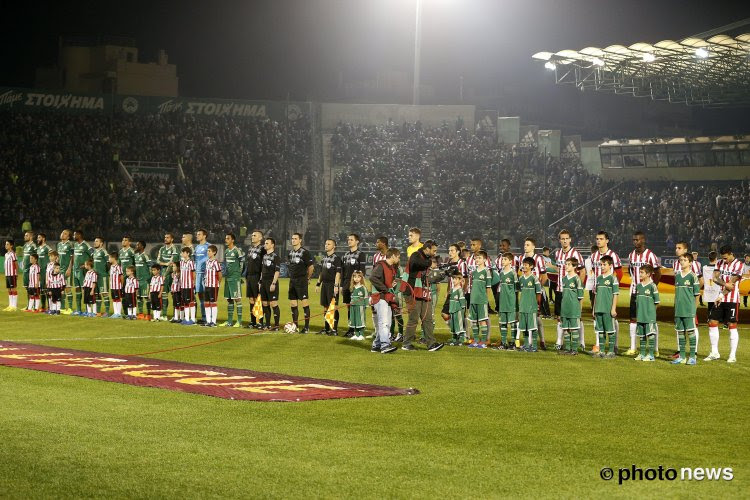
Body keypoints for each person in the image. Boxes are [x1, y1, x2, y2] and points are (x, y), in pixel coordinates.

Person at [402, 240, 443, 352]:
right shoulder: (416, 255)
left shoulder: (427, 259)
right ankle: (406, 343)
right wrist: (430, 264)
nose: (435, 253)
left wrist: (442, 275)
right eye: (434, 250)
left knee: (428, 318)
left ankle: (431, 344)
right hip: (412, 291)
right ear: (427, 248)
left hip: (423, 291)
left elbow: (428, 277)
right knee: (413, 319)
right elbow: (417, 264)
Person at [705, 245, 743, 363]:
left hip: (731, 300)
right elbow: (714, 278)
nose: (724, 260)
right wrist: (725, 284)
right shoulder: (720, 263)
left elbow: (731, 285)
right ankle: (714, 352)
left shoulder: (739, 265)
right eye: (723, 258)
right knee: (712, 321)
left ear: (731, 254)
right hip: (720, 298)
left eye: (726, 258)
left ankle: (732, 355)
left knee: (732, 325)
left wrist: (721, 294)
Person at [625, 232, 661, 356]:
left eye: (637, 240)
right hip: (636, 292)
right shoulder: (631, 255)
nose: (635, 242)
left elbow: (658, 272)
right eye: (633, 240)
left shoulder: (651, 255)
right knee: (633, 319)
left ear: (643, 240)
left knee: (651, 320)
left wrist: (652, 288)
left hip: (647, 294)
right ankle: (633, 347)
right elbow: (630, 271)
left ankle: (655, 349)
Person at [590, 231, 622, 353]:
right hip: (597, 289)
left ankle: (615, 345)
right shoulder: (594, 256)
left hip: (609, 291)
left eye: (601, 239)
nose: (598, 241)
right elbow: (594, 271)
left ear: (607, 240)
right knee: (598, 318)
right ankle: (599, 345)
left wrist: (612, 286)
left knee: (612, 318)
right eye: (597, 239)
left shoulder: (613, 255)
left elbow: (618, 273)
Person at [553, 230, 585, 350]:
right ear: (559, 240)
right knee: (560, 316)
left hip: (572, 291)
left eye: (567, 238)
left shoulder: (576, 254)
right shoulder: (557, 253)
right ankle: (559, 341)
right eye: (562, 238)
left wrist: (577, 288)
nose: (565, 241)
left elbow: (582, 271)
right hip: (560, 289)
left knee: (577, 317)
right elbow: (558, 269)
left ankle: (581, 342)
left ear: (570, 239)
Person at [670, 241, 702, 359]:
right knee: (680, 329)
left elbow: (699, 282)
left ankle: (695, 352)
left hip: (690, 304)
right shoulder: (675, 265)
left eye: (679, 248)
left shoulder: (695, 267)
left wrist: (695, 305)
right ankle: (680, 352)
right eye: (676, 248)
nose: (676, 250)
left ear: (685, 250)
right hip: (680, 304)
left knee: (692, 327)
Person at [369, 247, 400, 354]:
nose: (399, 259)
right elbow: (372, 278)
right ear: (393, 256)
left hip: (386, 297)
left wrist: (391, 286)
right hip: (380, 297)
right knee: (384, 323)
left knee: (387, 323)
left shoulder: (390, 268)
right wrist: (386, 289)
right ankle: (385, 346)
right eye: (398, 256)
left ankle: (376, 345)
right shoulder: (381, 265)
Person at [521, 237, 549, 349]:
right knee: (531, 318)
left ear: (533, 247)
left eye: (528, 244)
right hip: (525, 293)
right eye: (525, 244)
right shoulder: (521, 258)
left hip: (536, 292)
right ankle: (529, 343)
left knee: (537, 317)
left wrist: (537, 288)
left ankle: (541, 341)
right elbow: (520, 274)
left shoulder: (538, 258)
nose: (525, 246)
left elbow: (544, 276)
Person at [287, 232, 314, 333]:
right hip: (292, 280)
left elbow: (311, 267)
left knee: (304, 303)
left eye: (295, 238)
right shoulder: (290, 253)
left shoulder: (305, 252)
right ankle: (296, 326)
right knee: (293, 303)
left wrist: (307, 278)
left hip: (301, 280)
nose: (293, 240)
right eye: (292, 238)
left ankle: (306, 327)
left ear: (300, 240)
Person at [593, 255, 619, 358]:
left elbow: (615, 294)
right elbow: (595, 294)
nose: (602, 266)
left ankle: (611, 351)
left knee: (610, 330)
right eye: (601, 264)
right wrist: (594, 308)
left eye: (604, 264)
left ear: (610, 265)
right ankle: (602, 351)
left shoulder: (613, 278)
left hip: (608, 309)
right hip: (599, 308)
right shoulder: (598, 278)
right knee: (600, 330)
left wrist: (613, 308)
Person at [341, 233, 367, 338]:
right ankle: (351, 328)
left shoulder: (361, 254)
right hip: (346, 283)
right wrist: (342, 285)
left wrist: (358, 284)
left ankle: (357, 329)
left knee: (355, 307)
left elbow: (362, 271)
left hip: (355, 284)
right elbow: (343, 271)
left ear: (357, 242)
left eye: (351, 239)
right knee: (349, 307)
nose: (349, 241)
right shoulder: (345, 255)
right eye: (348, 239)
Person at [316, 239, 342, 335]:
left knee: (333, 307)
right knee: (325, 307)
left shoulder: (337, 259)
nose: (326, 245)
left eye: (328, 244)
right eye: (325, 243)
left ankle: (334, 329)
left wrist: (336, 285)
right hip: (325, 285)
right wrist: (318, 284)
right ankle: (326, 329)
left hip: (332, 285)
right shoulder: (324, 259)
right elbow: (322, 273)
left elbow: (338, 273)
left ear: (334, 246)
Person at [467, 250, 493, 348]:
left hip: (482, 300)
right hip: (473, 299)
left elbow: (488, 288)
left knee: (482, 320)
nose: (477, 259)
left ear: (485, 259)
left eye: (479, 258)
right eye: (476, 258)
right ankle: (476, 340)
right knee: (473, 320)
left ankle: (483, 341)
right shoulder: (473, 272)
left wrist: (485, 299)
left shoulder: (486, 271)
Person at [634, 265, 659, 362]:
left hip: (649, 316)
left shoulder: (653, 286)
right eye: (639, 272)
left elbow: (657, 302)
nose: (640, 274)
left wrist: (651, 313)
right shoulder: (639, 286)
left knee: (650, 334)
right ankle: (642, 353)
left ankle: (651, 354)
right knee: (641, 335)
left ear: (648, 274)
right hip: (640, 315)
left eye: (642, 272)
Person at [559, 257, 584, 356]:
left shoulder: (577, 279)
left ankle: (574, 349)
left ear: (574, 266)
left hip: (574, 308)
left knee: (574, 329)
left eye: (569, 264)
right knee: (565, 329)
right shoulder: (564, 279)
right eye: (566, 264)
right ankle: (567, 348)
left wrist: (580, 310)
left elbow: (580, 297)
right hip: (565, 308)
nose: (566, 266)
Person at [493, 252, 518, 350]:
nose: (503, 261)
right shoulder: (501, 272)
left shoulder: (513, 273)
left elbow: (516, 289)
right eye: (502, 259)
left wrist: (515, 302)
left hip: (510, 301)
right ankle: (503, 343)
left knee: (512, 322)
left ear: (510, 261)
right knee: (503, 322)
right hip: (503, 301)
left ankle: (512, 343)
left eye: (505, 259)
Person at [518, 257, 542, 352]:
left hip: (531, 306)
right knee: (524, 327)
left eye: (526, 265)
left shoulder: (534, 278)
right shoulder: (521, 279)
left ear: (531, 266)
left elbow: (538, 293)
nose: (524, 266)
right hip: (523, 306)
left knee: (533, 327)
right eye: (523, 264)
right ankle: (526, 345)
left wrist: (537, 305)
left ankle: (534, 346)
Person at [222, 233, 245, 328]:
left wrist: (238, 275)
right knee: (229, 299)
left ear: (233, 240)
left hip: (235, 278)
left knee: (237, 299)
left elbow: (242, 263)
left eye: (228, 238)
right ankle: (229, 321)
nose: (226, 240)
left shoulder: (237, 251)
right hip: (228, 278)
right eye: (226, 238)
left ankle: (239, 321)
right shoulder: (226, 251)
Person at [244, 229, 265, 329]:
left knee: (258, 299)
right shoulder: (250, 248)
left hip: (257, 276)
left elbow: (264, 265)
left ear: (260, 238)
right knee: (251, 299)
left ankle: (260, 321)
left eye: (255, 235)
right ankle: (252, 322)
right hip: (250, 276)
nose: (252, 237)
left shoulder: (263, 249)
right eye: (252, 235)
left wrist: (261, 278)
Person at [158, 233, 180, 321]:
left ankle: (176, 315)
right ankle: (164, 314)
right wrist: (165, 264)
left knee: (174, 294)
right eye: (165, 237)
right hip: (164, 273)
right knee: (164, 294)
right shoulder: (162, 249)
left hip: (172, 274)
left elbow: (172, 263)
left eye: (168, 237)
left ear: (172, 239)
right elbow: (158, 260)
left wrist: (165, 273)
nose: (166, 239)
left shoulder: (175, 248)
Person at [260, 237, 281, 331]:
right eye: (265, 243)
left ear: (272, 245)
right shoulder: (264, 256)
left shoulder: (275, 256)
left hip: (271, 281)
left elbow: (277, 271)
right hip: (263, 282)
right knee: (265, 303)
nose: (265, 244)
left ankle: (276, 326)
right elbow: (262, 270)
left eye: (267, 243)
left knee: (273, 303)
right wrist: (260, 281)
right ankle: (267, 324)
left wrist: (273, 283)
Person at [72, 230, 92, 316]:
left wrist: (85, 265)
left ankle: (88, 310)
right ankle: (79, 310)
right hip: (75, 270)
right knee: (77, 289)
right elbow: (74, 256)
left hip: (83, 271)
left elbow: (93, 254)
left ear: (79, 235)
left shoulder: (86, 245)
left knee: (85, 290)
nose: (73, 236)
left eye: (75, 235)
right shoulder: (75, 245)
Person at [371, 236, 389, 330]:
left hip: (386, 285)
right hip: (376, 285)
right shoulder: (375, 256)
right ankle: (377, 331)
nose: (376, 244)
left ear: (383, 243)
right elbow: (374, 272)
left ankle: (390, 332)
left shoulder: (390, 255)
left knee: (389, 309)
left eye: (378, 242)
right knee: (374, 308)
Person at [204, 244, 222, 327]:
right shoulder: (207, 261)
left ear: (214, 252)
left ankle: (213, 322)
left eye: (209, 251)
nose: (208, 252)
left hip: (213, 285)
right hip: (207, 285)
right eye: (207, 251)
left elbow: (220, 274)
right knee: (206, 303)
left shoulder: (216, 262)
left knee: (213, 303)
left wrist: (218, 283)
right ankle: (208, 321)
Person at [57, 229, 75, 314]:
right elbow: (58, 257)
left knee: (68, 288)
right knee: (61, 289)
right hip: (60, 270)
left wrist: (69, 268)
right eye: (62, 232)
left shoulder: (70, 245)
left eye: (65, 234)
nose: (62, 234)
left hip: (67, 269)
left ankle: (70, 308)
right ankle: (63, 307)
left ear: (68, 236)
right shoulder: (59, 244)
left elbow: (72, 257)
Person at [447, 273, 467, 346]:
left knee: (459, 325)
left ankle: (461, 339)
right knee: (453, 325)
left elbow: (462, 302)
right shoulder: (452, 290)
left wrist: (462, 310)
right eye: (453, 279)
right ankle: (454, 338)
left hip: (458, 310)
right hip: (452, 310)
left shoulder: (460, 290)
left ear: (460, 280)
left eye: (456, 279)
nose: (454, 280)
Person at [348, 270, 369, 340]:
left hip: (360, 306)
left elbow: (366, 297)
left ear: (361, 278)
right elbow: (352, 296)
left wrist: (366, 305)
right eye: (355, 277)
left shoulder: (363, 287)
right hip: (353, 306)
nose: (356, 278)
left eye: (358, 277)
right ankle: (356, 334)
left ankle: (361, 335)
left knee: (360, 320)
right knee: (354, 320)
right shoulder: (352, 287)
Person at [92, 237, 110, 317]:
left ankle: (107, 312)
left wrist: (105, 272)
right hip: (96, 277)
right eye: (95, 241)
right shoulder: (95, 252)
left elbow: (109, 263)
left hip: (103, 276)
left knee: (105, 293)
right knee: (97, 294)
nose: (95, 243)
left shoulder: (104, 252)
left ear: (101, 243)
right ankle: (98, 312)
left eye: (97, 241)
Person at [179, 247, 197, 325]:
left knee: (191, 301)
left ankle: (192, 319)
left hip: (189, 285)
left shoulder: (191, 262)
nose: (182, 254)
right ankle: (186, 319)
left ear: (188, 253)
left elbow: (193, 273)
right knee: (185, 302)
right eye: (182, 252)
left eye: (184, 252)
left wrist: (194, 283)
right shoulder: (181, 262)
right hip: (183, 285)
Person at [134, 241, 151, 320]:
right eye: (136, 245)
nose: (137, 246)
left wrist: (150, 278)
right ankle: (140, 314)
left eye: (138, 245)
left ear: (142, 246)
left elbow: (150, 268)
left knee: (147, 298)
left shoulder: (146, 256)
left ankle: (148, 314)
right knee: (139, 298)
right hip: (137, 280)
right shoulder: (136, 256)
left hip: (145, 280)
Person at [702, 251, 720, 323]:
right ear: (716, 258)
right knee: (717, 305)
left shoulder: (704, 268)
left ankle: (709, 318)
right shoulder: (719, 268)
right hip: (717, 288)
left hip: (708, 288)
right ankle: (715, 319)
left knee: (710, 305)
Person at [21, 231, 37, 307]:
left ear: (31, 237)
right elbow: (24, 256)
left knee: (32, 288)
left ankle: (34, 305)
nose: (24, 237)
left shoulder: (33, 246)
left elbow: (37, 257)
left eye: (26, 235)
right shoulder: (24, 246)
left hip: (31, 271)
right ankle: (29, 305)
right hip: (25, 270)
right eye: (25, 235)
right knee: (27, 288)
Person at [35, 233, 51, 312]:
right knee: (41, 289)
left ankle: (50, 306)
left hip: (45, 271)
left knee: (46, 289)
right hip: (39, 271)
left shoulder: (47, 248)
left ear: (43, 239)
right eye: (37, 237)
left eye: (39, 237)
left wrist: (49, 267)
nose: (37, 239)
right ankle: (43, 306)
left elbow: (54, 256)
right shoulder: (38, 249)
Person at [3, 239, 18, 311]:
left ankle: (14, 306)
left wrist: (16, 273)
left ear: (11, 245)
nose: (6, 245)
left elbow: (16, 264)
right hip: (7, 274)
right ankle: (10, 305)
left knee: (13, 289)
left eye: (7, 244)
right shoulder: (6, 254)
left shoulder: (13, 254)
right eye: (5, 244)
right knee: (9, 289)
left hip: (12, 274)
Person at [108, 251, 124, 319]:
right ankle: (115, 313)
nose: (109, 259)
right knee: (114, 299)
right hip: (112, 286)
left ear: (113, 258)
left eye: (109, 258)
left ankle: (119, 313)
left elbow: (121, 276)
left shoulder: (118, 267)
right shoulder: (111, 266)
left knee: (118, 299)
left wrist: (122, 285)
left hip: (118, 286)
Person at [44, 250, 59, 314]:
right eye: (49, 256)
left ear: (55, 257)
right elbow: (47, 273)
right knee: (49, 295)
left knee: (53, 296)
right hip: (49, 282)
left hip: (54, 283)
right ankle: (50, 308)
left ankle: (55, 309)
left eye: (52, 256)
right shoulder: (48, 264)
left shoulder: (56, 265)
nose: (50, 257)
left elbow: (56, 274)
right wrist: (46, 280)